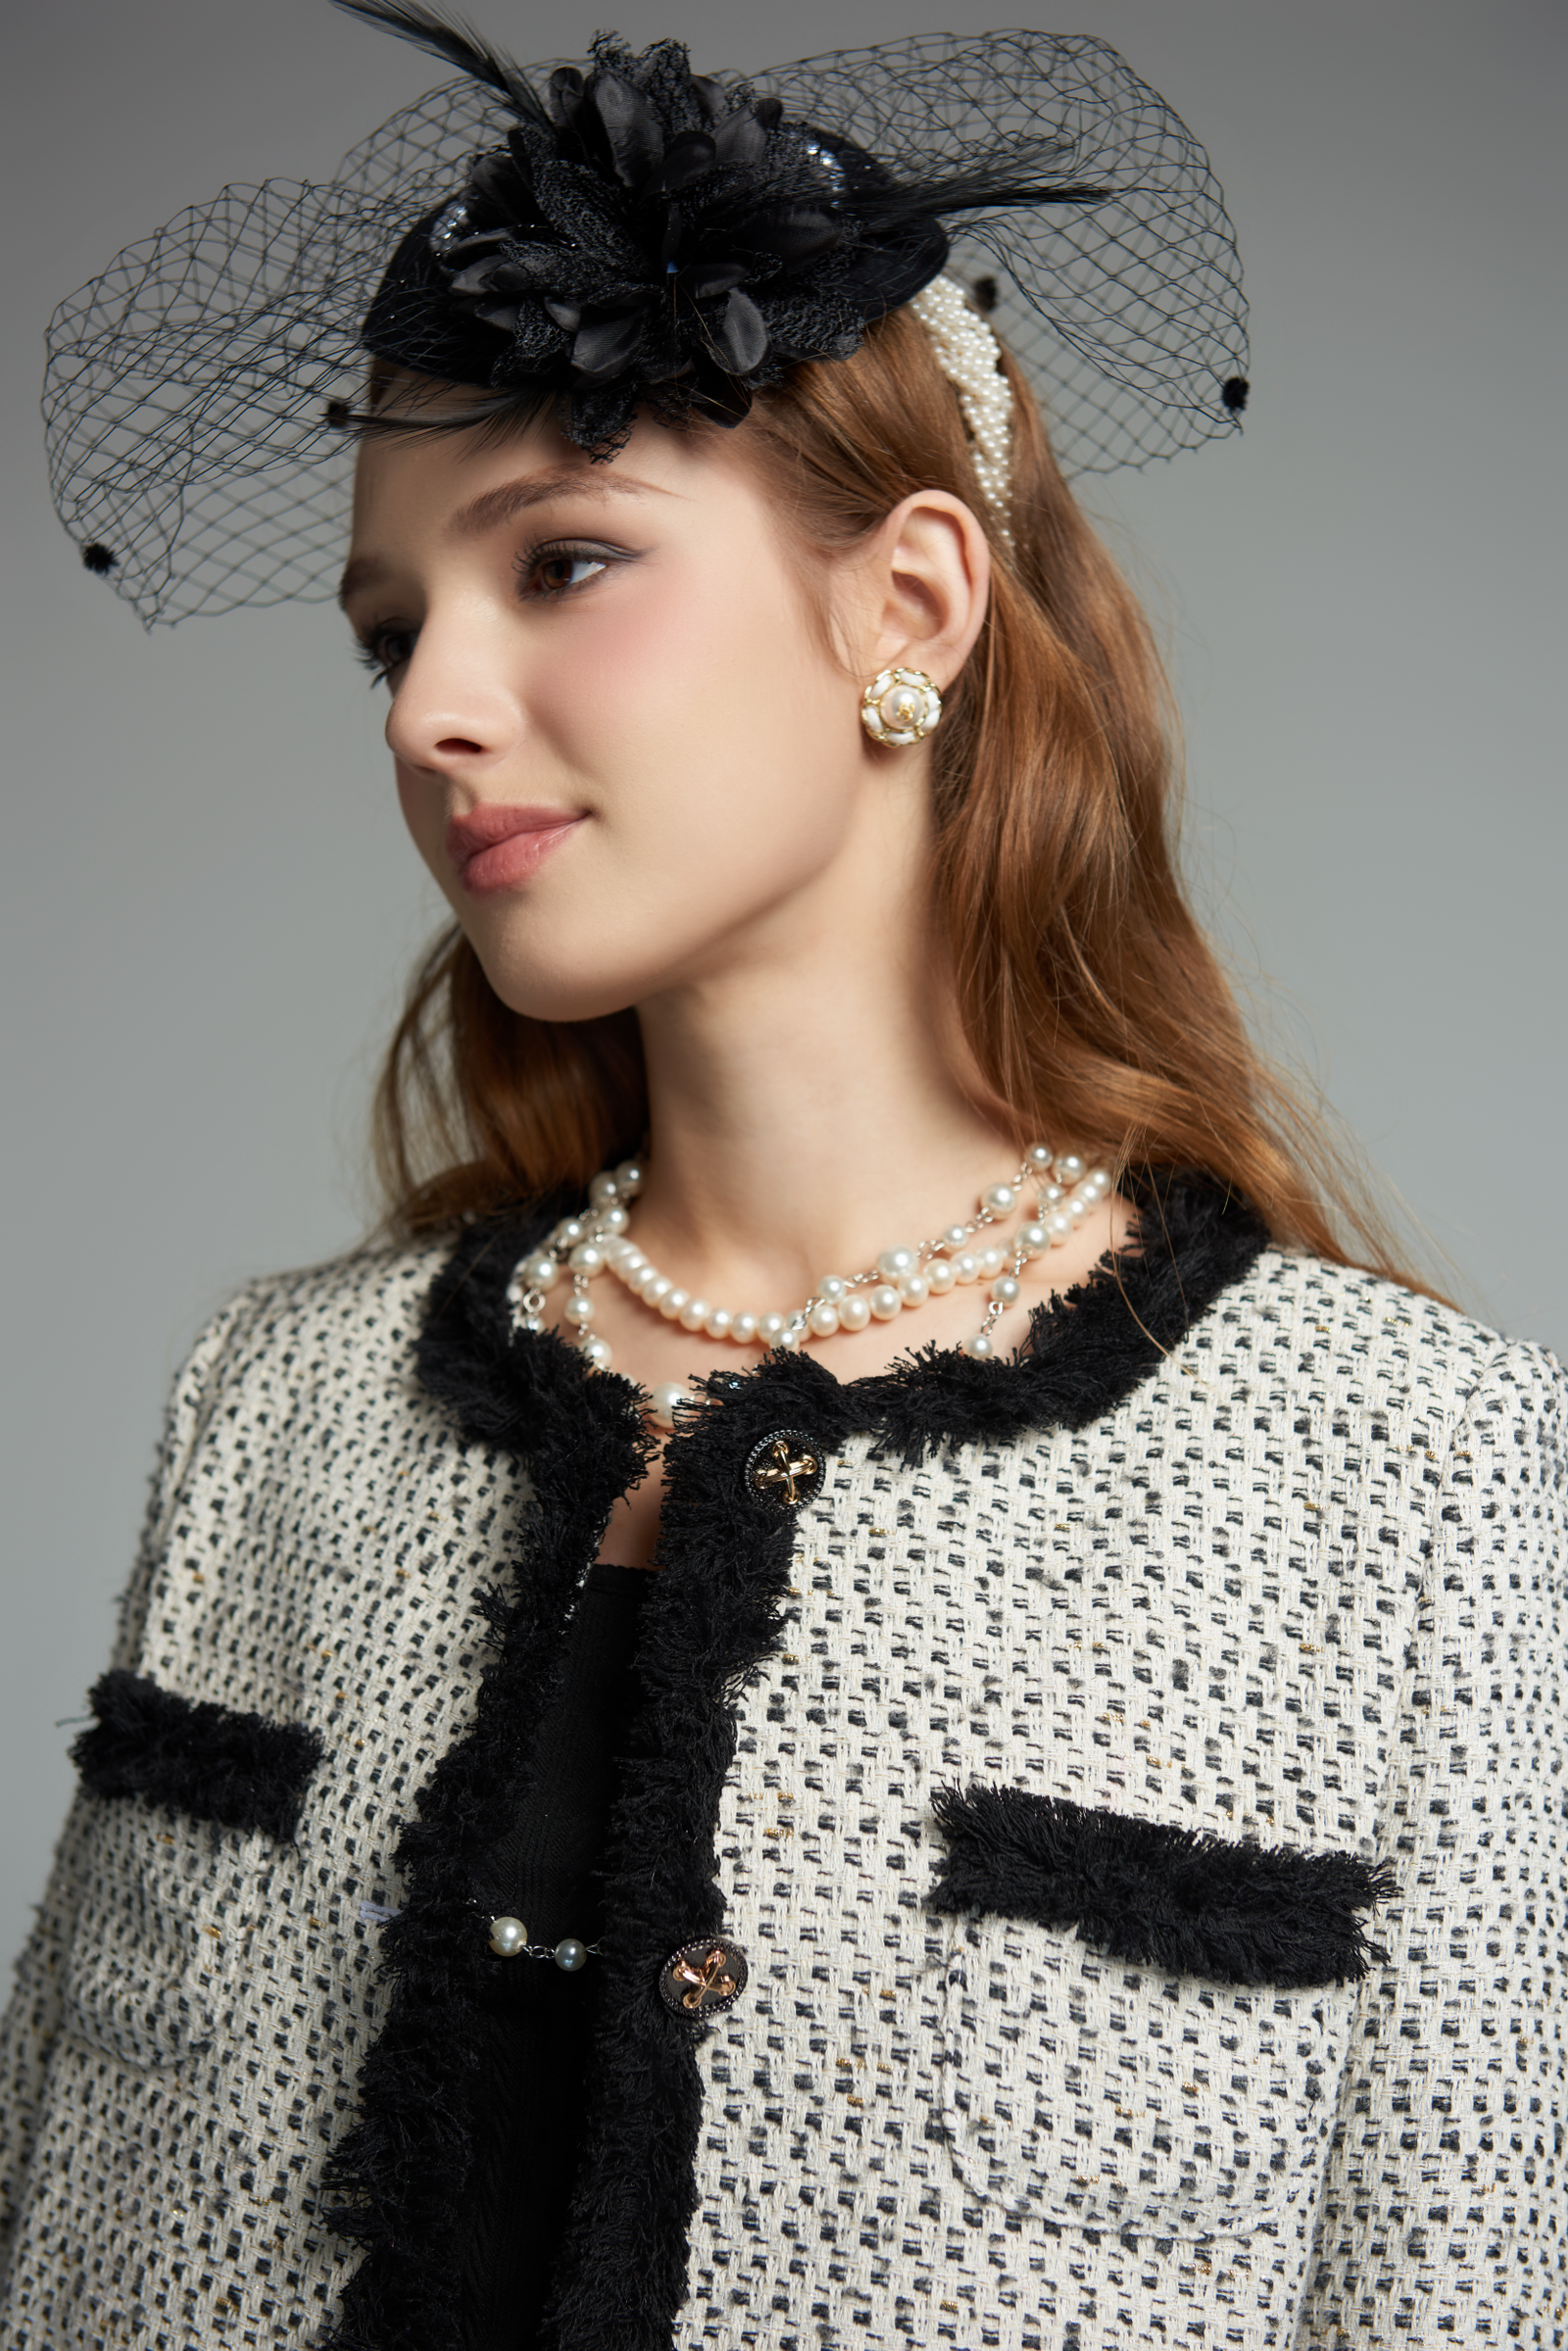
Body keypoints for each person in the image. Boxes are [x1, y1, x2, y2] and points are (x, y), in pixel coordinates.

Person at [4, 5, 1564, 2346]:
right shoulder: (279, 1406)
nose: (432, 705)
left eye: (559, 564)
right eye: (391, 633)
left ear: (906, 607)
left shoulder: (1418, 1479)